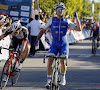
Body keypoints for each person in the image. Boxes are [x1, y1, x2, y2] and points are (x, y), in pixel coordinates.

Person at [34, 2, 82, 88]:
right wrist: (36, 40)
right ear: (56, 11)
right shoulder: (51, 20)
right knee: (49, 60)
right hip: (54, 44)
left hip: (64, 44)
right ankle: (48, 81)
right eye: (58, 9)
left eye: (61, 9)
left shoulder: (67, 21)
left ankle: (63, 77)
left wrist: (76, 18)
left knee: (62, 61)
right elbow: (42, 30)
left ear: (64, 11)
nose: (60, 11)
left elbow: (79, 29)